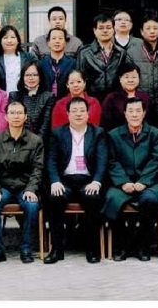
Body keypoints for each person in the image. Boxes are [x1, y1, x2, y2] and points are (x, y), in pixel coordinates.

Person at [45, 97, 108, 264]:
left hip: (88, 180)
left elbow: (102, 161)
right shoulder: (58, 133)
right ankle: (56, 250)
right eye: (74, 111)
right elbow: (51, 160)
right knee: (55, 198)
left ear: (88, 114)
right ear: (68, 114)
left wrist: (97, 182)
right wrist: (55, 181)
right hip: (65, 180)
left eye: (82, 111)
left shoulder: (98, 133)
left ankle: (92, 249)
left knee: (93, 198)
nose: (78, 114)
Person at [103, 97, 158, 261]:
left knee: (152, 200)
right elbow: (112, 161)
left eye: (138, 111)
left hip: (149, 182)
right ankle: (122, 245)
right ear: (125, 113)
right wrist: (123, 182)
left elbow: (156, 160)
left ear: (144, 113)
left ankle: (142, 245)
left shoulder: (156, 134)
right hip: (122, 183)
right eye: (131, 111)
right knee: (111, 199)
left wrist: (143, 182)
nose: (135, 114)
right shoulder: (114, 135)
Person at [0, 100, 44, 265]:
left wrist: (31, 189)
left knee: (32, 205)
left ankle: (26, 249)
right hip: (3, 187)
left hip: (25, 187)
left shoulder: (35, 141)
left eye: (19, 113)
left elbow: (38, 168)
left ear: (25, 116)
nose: (16, 116)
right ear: (6, 117)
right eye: (12, 113)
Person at [125, 12, 158, 127]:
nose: (152, 31)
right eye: (148, 28)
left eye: (155, 28)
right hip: (141, 103)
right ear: (141, 31)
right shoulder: (131, 52)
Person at [76, 14, 132, 102]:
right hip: (92, 100)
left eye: (108, 27)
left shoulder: (121, 52)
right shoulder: (85, 53)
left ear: (113, 29)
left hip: (115, 100)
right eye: (101, 28)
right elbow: (79, 78)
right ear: (94, 30)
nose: (105, 31)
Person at [9, 61, 55, 143]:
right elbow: (13, 123)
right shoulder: (14, 96)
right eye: (27, 75)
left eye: (35, 75)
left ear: (40, 77)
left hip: (40, 143)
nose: (31, 78)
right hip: (18, 141)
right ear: (22, 77)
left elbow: (45, 126)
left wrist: (34, 144)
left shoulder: (48, 97)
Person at [100, 62, 151, 131]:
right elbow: (105, 124)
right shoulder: (111, 98)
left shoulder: (145, 97)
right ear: (120, 78)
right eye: (126, 77)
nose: (130, 80)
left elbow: (152, 122)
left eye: (134, 77)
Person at [0, 24, 37, 93]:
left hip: (24, 97)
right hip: (2, 97)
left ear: (18, 40)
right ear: (0, 41)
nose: (9, 41)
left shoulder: (29, 57)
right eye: (5, 38)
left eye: (13, 37)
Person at [38, 28, 76, 98]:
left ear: (65, 43)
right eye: (54, 38)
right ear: (48, 43)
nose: (57, 41)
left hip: (66, 102)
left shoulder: (73, 63)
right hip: (45, 102)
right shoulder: (41, 64)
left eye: (60, 38)